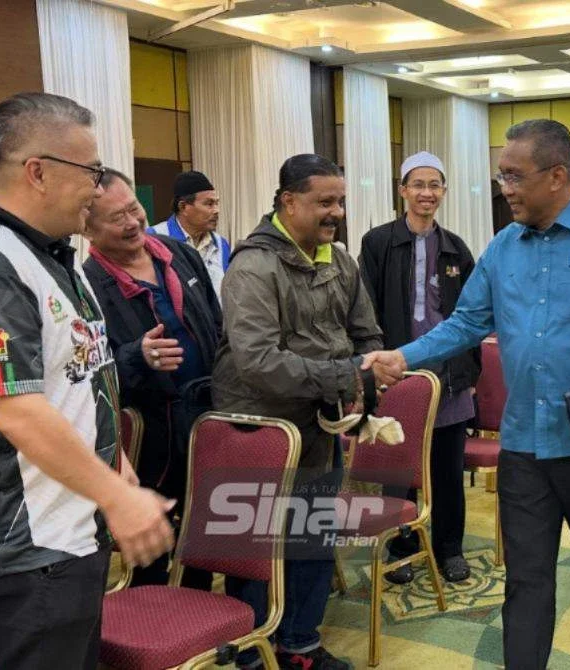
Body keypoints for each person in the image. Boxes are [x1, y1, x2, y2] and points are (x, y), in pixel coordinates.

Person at [364, 119, 570, 670]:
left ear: (556, 176)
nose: (504, 186)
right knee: (527, 579)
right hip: (526, 447)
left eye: (514, 175)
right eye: (501, 175)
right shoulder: (505, 246)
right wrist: (402, 357)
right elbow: (464, 324)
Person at [0, 92, 174, 670]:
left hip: (73, 529)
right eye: (91, 171)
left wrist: (116, 468)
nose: (98, 187)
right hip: (31, 546)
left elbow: (79, 382)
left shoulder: (58, 259)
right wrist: (118, 495)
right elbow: (17, 411)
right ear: (37, 171)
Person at [212, 153, 381, 670]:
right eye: (324, 202)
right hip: (260, 427)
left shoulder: (339, 259)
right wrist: (343, 376)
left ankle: (299, 644)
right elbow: (259, 361)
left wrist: (368, 372)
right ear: (288, 201)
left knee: (312, 533)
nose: (336, 212)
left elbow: (365, 331)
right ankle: (250, 651)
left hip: (319, 426)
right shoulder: (253, 266)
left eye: (341, 202)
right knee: (258, 545)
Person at [83, 168, 223, 587]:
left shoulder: (178, 254)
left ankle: (198, 612)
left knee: (208, 524)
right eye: (116, 218)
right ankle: (153, 623)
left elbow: (216, 323)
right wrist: (136, 356)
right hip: (153, 430)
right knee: (154, 540)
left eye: (134, 209)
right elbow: (91, 376)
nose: (131, 223)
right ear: (86, 229)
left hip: (210, 411)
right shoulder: (88, 285)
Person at [358, 151, 480, 584]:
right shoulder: (377, 242)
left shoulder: (456, 248)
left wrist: (468, 374)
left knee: (447, 468)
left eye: (435, 185)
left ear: (443, 192)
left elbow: (471, 316)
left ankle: (450, 549)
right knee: (399, 470)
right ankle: (404, 547)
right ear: (403, 190)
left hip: (446, 376)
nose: (426, 193)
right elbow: (365, 309)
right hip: (397, 374)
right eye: (419, 185)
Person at [149, 170, 230, 300]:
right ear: (183, 207)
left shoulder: (221, 244)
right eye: (209, 204)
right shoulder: (156, 239)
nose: (216, 210)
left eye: (216, 203)